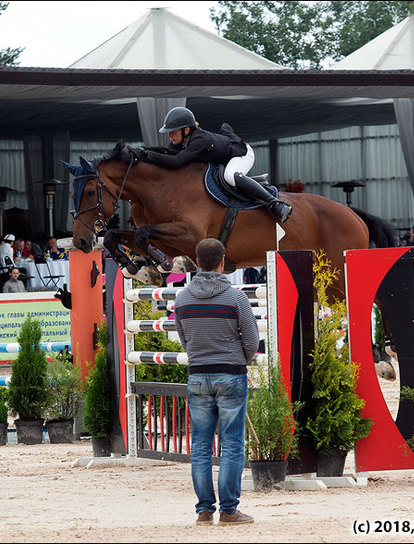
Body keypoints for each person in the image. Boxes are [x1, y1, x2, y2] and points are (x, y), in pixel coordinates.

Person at [173, 238, 259, 526]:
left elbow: (185, 339)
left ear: (197, 262)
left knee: (200, 445)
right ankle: (229, 510)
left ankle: (204, 510)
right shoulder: (236, 298)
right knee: (232, 444)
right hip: (231, 373)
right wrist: (239, 359)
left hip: (197, 374)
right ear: (223, 262)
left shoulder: (182, 299)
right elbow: (251, 340)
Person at [141, 107, 292, 223]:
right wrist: (145, 151)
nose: (169, 135)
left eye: (173, 132)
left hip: (241, 154)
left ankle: (276, 204)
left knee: (230, 176)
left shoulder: (199, 140)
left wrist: (148, 155)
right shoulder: (181, 141)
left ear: (186, 130)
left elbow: (175, 162)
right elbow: (168, 153)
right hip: (226, 158)